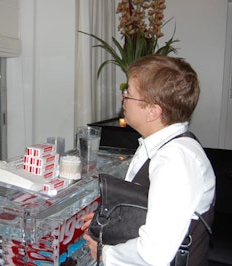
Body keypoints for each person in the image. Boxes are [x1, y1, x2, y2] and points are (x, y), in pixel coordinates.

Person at [82, 55, 215, 265]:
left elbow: (153, 254)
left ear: (153, 111)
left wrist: (104, 254)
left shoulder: (175, 161)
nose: (122, 97)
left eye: (129, 93)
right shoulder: (163, 144)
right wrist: (112, 221)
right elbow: (150, 208)